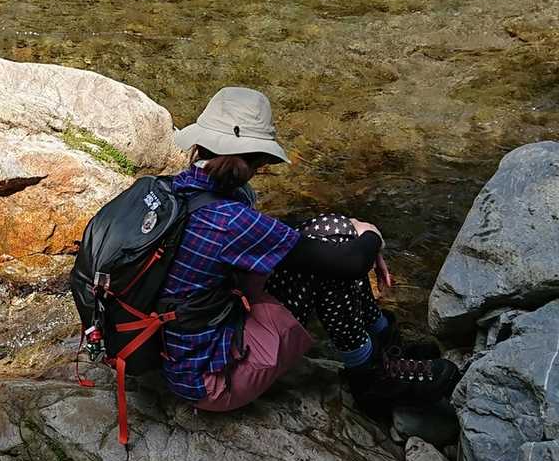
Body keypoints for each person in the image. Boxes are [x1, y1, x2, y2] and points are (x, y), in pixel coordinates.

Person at [159, 86, 461, 413]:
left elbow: (279, 237)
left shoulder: (181, 188)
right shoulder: (230, 220)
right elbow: (350, 264)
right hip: (212, 379)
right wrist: (372, 234)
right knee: (334, 248)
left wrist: (347, 227)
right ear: (255, 159)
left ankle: (385, 339)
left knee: (330, 233)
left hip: (182, 354)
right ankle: (370, 375)